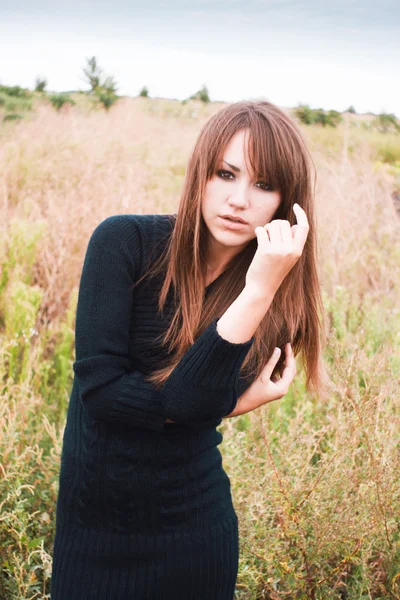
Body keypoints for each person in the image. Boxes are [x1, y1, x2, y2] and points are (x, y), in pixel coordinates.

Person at [50, 100, 329, 599]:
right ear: (200, 173)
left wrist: (258, 290)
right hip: (92, 530)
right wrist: (234, 404)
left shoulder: (277, 300)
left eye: (264, 185)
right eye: (226, 173)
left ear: (287, 205)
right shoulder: (124, 243)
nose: (239, 200)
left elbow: (188, 403)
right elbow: (103, 393)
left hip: (195, 534)